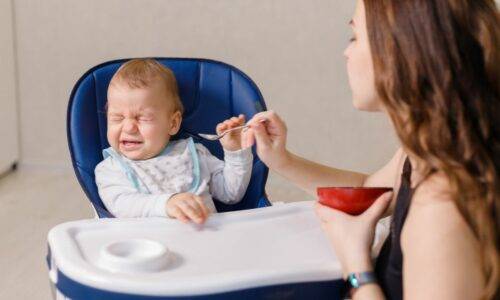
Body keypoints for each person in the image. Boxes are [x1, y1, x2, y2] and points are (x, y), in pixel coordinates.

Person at [244, 0, 499, 299]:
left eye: (355, 37)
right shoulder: (427, 149)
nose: (346, 52)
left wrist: (355, 264)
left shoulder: (441, 206)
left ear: (402, 53)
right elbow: (367, 190)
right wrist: (281, 160)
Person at [95, 58, 254, 224]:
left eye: (143, 118)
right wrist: (167, 204)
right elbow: (122, 206)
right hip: (149, 247)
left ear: (173, 123)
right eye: (117, 118)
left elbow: (231, 194)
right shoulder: (111, 169)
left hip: (208, 242)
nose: (128, 127)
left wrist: (234, 151)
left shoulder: (194, 155)